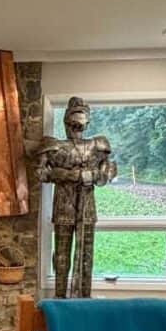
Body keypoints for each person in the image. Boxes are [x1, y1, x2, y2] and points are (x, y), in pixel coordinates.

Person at [36, 96, 117, 297]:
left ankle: (83, 296)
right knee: (62, 255)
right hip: (63, 205)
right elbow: (41, 172)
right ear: (66, 121)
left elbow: (108, 171)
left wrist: (94, 175)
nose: (76, 128)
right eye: (73, 123)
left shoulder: (98, 145)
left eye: (80, 124)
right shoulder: (55, 145)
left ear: (86, 123)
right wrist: (70, 175)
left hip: (87, 206)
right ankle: (60, 296)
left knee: (86, 255)